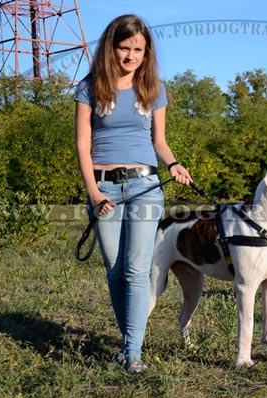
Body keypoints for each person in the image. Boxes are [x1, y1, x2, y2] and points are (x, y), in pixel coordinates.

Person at [74, 14, 192, 374]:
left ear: (146, 52)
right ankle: (130, 343)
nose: (131, 56)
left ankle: (132, 352)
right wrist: (93, 192)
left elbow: (159, 141)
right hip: (104, 187)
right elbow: (82, 144)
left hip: (145, 186)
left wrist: (173, 164)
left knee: (137, 271)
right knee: (115, 271)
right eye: (124, 48)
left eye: (138, 49)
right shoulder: (90, 87)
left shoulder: (154, 88)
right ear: (111, 48)